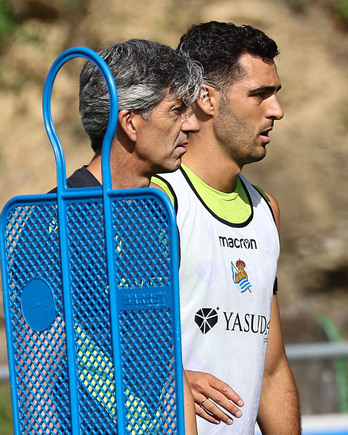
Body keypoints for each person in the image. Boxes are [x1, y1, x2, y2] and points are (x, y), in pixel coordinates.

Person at [13, 38, 202, 434]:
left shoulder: (156, 216)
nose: (192, 124)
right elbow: (35, 382)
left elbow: (167, 361)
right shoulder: (57, 222)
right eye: (176, 111)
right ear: (131, 123)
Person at [151, 21, 301, 434]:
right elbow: (93, 341)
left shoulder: (266, 210)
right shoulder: (157, 202)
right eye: (259, 94)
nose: (276, 110)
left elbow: (270, 370)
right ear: (206, 99)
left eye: (275, 94)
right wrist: (171, 379)